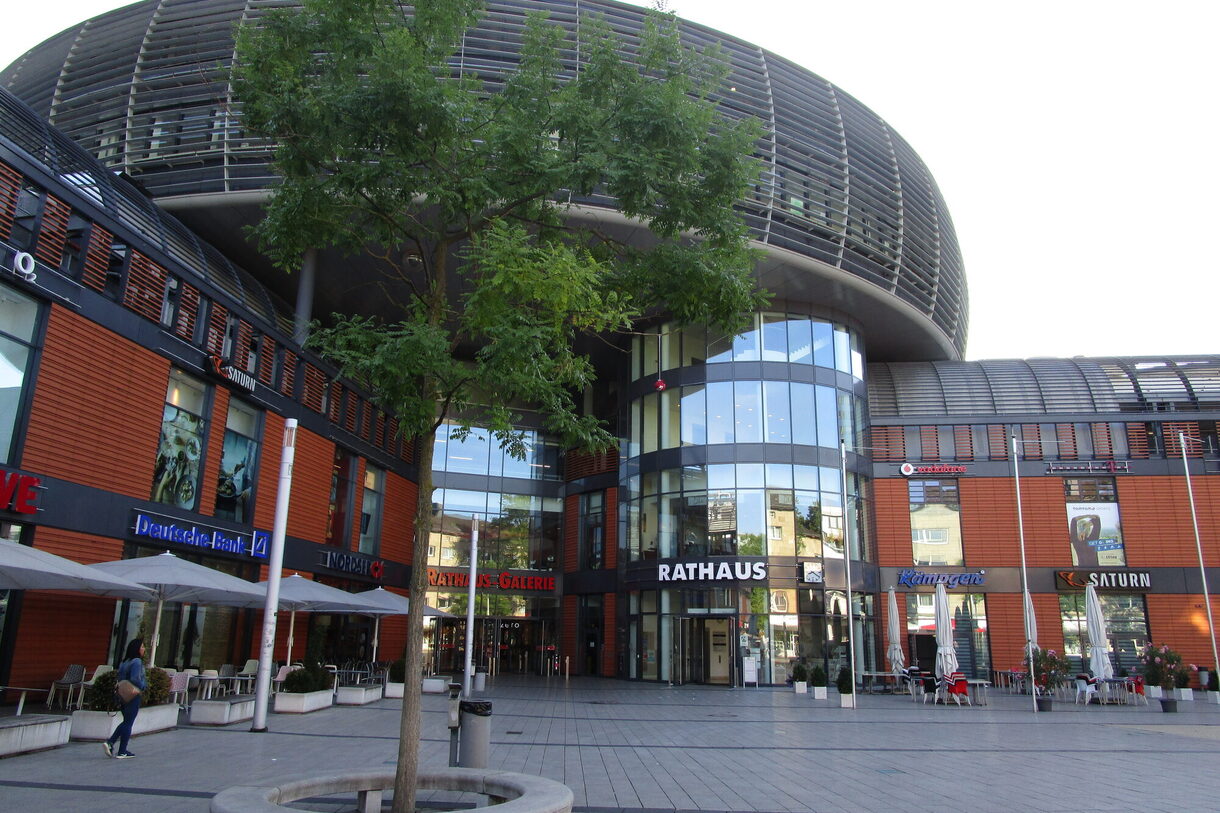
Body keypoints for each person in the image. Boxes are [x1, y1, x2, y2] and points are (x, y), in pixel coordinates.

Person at [105, 638, 146, 759]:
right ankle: (116, 746)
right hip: (133, 694)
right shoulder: (137, 662)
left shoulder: (124, 662)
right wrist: (143, 686)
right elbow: (135, 679)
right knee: (128, 722)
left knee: (126, 721)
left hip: (122, 695)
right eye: (142, 647)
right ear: (137, 649)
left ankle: (117, 747)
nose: (144, 649)